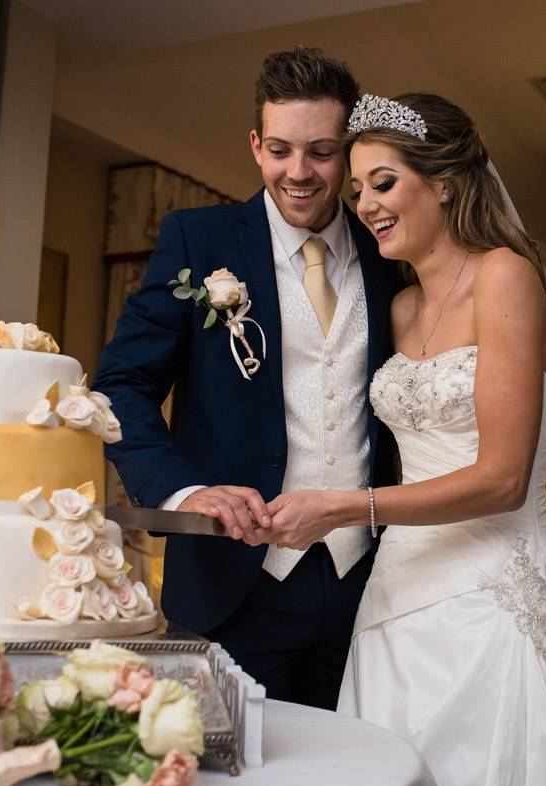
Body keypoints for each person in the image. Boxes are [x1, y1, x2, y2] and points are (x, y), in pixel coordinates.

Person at [256, 92, 546, 786]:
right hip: (397, 593)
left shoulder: (505, 276)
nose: (366, 203)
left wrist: (343, 507)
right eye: (358, 189)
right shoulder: (398, 306)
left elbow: (502, 477)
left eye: (383, 182)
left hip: (492, 593)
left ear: (442, 181)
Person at [92, 47, 402, 710]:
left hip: (370, 585)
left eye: (321, 151)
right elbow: (121, 386)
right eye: (281, 150)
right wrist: (185, 491)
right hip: (234, 585)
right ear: (256, 145)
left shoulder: (390, 258)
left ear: (348, 152)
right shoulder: (197, 241)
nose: (298, 172)